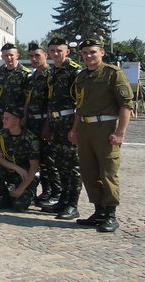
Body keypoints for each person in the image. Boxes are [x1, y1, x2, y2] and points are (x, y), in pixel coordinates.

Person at [72, 36, 133, 233]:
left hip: (106, 129)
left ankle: (111, 214)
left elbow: (126, 105)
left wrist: (120, 132)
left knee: (108, 172)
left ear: (102, 53)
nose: (88, 56)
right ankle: (99, 212)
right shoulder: (82, 77)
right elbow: (79, 106)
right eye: (85, 53)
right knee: (88, 172)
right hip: (85, 128)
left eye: (92, 52)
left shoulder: (113, 73)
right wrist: (74, 129)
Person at [41, 37, 83, 219]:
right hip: (55, 122)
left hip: (69, 120)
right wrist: (48, 124)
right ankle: (63, 201)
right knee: (60, 164)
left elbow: (80, 102)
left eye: (59, 50)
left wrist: (75, 128)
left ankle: (73, 204)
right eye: (52, 51)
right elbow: (50, 101)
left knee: (72, 166)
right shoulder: (52, 72)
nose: (55, 54)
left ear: (68, 51)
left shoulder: (75, 71)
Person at [23, 42, 55, 206]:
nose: (34, 59)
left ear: (46, 56)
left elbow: (51, 102)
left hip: (44, 120)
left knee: (48, 159)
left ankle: (52, 191)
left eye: (37, 55)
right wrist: (24, 118)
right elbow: (27, 100)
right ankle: (40, 190)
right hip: (31, 121)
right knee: (34, 157)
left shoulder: (51, 75)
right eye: (31, 56)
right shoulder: (32, 77)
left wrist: (47, 124)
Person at [0, 109, 40, 211]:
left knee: (19, 206)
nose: (3, 120)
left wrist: (21, 189)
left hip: (26, 175)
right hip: (12, 170)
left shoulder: (30, 138)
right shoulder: (1, 135)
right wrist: (16, 168)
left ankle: (27, 193)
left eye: (6, 119)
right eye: (3, 118)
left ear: (16, 121)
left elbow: (34, 167)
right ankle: (5, 196)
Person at [0, 43, 31, 127]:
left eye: (11, 55)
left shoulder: (25, 73)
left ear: (17, 56)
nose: (9, 58)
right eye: (6, 55)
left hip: (17, 115)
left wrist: (25, 115)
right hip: (2, 115)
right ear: (2, 57)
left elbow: (28, 98)